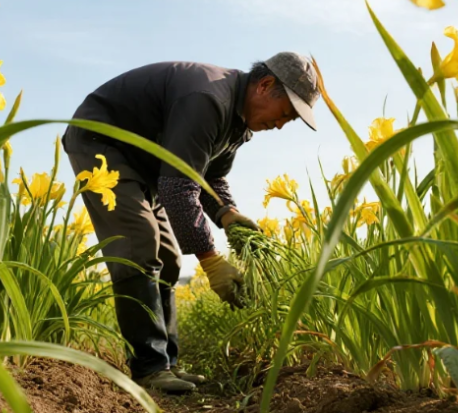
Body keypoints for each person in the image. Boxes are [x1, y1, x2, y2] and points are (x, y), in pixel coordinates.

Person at [63, 53, 320, 394]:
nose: (281, 124)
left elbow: (210, 178)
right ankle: (149, 367)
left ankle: (167, 363)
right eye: (286, 113)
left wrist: (228, 214)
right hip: (103, 143)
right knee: (139, 244)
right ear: (265, 85)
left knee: (169, 257)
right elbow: (178, 186)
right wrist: (212, 261)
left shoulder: (238, 123)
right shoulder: (209, 99)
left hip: (145, 163)